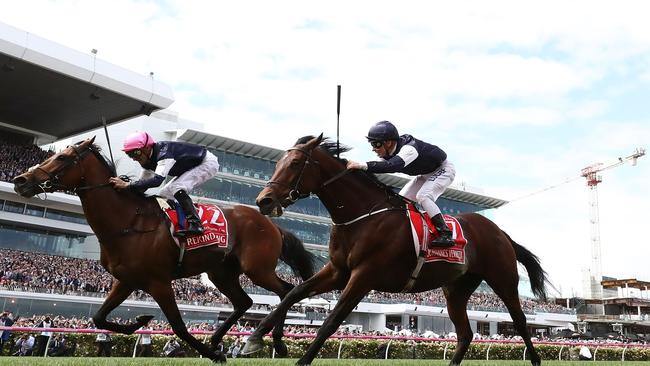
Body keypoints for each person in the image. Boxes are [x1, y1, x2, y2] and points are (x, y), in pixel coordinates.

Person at [347, 121, 456, 247]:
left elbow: (391, 166)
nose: (373, 149)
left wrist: (362, 165)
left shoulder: (409, 149)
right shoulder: (388, 153)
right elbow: (379, 167)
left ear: (388, 142)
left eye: (376, 144)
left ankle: (446, 234)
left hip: (444, 170)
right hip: (426, 174)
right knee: (400, 201)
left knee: (423, 196)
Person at [109, 131, 220, 237]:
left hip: (206, 162)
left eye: (135, 152)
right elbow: (142, 187)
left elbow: (157, 181)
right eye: (129, 154)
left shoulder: (164, 154)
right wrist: (124, 188)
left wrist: (128, 185)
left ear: (147, 147)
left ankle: (196, 225)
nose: (134, 157)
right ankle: (178, 223)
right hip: (192, 165)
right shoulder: (146, 161)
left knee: (177, 187)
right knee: (163, 194)